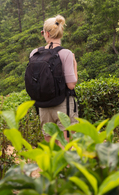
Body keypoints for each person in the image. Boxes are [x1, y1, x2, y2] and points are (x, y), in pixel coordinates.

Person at [29, 15, 78, 143]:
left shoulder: (34, 53)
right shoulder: (66, 53)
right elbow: (71, 85)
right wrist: (74, 64)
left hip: (43, 107)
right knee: (65, 148)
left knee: (51, 149)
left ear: (46, 33)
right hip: (63, 106)